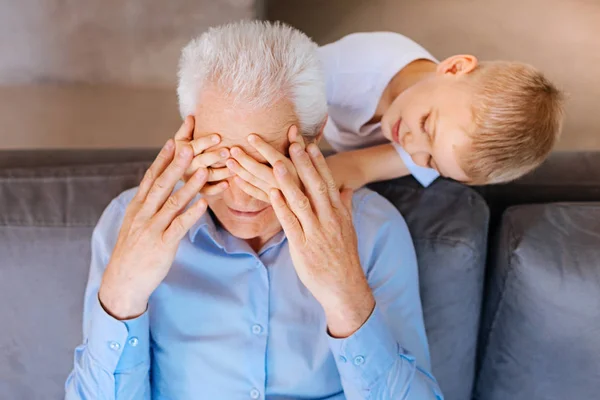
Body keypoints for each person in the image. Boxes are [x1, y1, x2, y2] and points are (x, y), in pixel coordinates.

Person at [65, 21, 443, 399]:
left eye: (267, 168)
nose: (243, 200)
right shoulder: (128, 222)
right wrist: (120, 298)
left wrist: (346, 297)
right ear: (189, 136)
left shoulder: (373, 230)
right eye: (223, 162)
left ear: (315, 136)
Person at [317, 32, 565, 189]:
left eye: (430, 162)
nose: (410, 147)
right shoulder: (349, 67)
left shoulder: (445, 147)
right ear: (454, 68)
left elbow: (354, 167)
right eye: (426, 124)